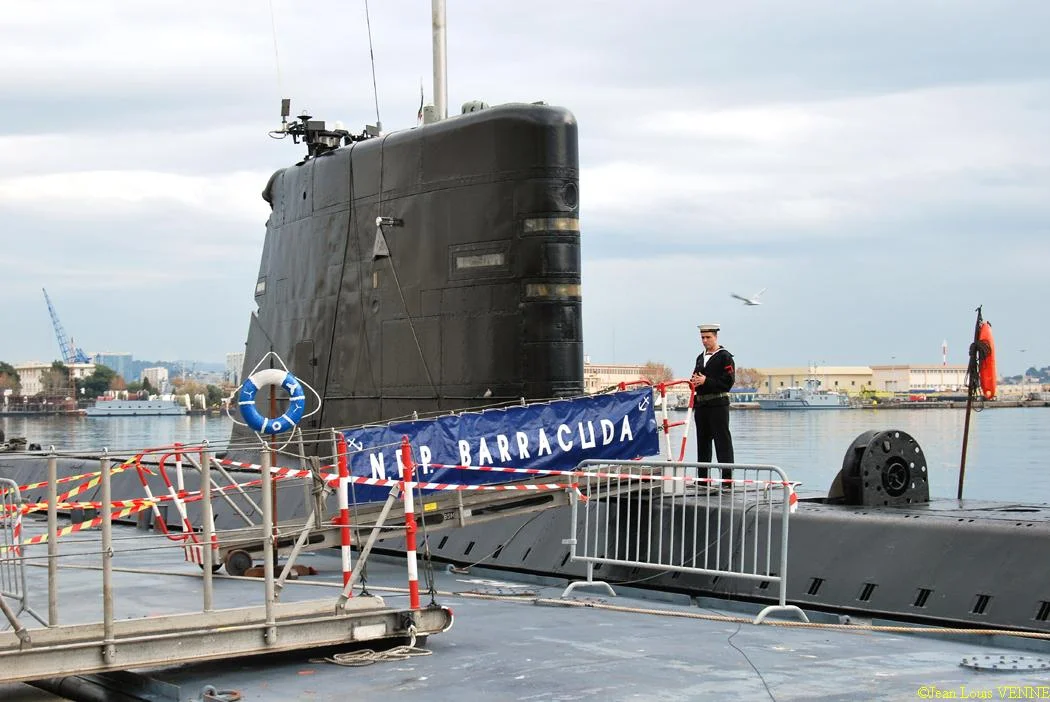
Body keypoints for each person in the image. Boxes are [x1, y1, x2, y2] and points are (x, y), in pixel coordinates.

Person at [690, 323, 735, 486]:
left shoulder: (725, 356)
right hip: (702, 405)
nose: (705, 340)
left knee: (722, 441)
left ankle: (727, 480)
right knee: (702, 442)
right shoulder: (700, 357)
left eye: (708, 337)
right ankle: (702, 479)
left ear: (715, 337)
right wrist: (694, 382)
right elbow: (695, 376)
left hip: (718, 404)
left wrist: (706, 381)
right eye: (702, 337)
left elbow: (728, 382)